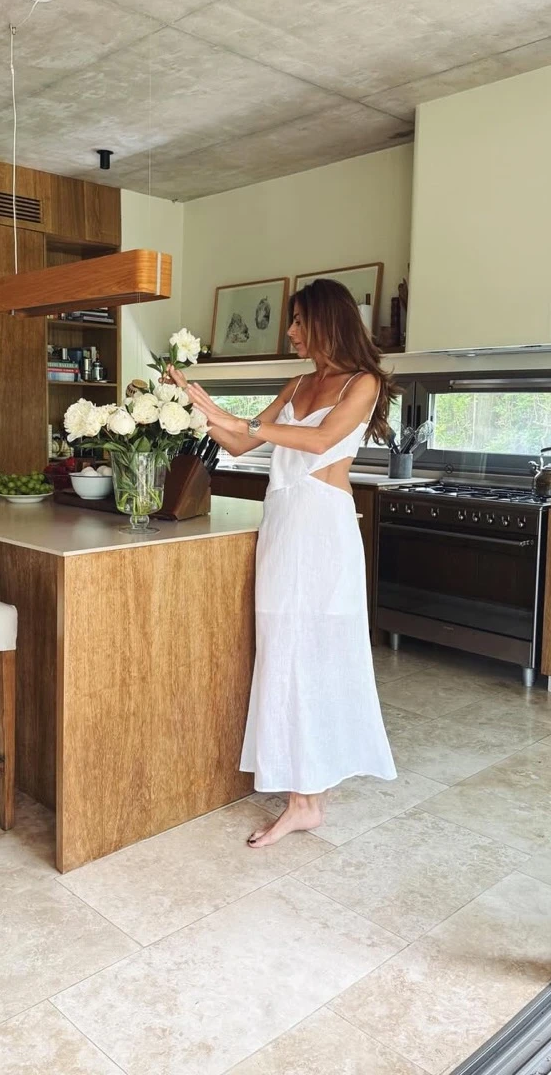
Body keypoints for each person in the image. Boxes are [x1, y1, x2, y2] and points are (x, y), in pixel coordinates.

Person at [167, 278, 397, 847]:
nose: (291, 332)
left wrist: (239, 421)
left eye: (297, 321)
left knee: (317, 653)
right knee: (282, 652)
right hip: (283, 526)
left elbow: (319, 444)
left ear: (324, 323)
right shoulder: (297, 381)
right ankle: (303, 798)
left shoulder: (362, 383)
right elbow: (244, 445)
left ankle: (307, 798)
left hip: (324, 531)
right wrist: (200, 408)